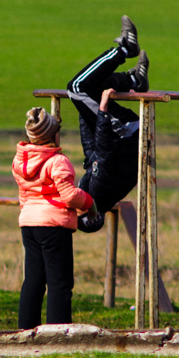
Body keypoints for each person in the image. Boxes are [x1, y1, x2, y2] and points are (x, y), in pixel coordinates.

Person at [12, 106, 97, 330]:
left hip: (29, 223)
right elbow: (69, 196)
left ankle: (26, 330)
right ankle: (57, 332)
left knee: (33, 280)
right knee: (60, 282)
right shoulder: (57, 161)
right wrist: (90, 203)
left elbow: (23, 194)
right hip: (53, 226)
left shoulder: (20, 161)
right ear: (51, 134)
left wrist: (27, 214)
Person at [66, 15, 149, 232]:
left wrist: (84, 113)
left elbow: (90, 153)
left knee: (89, 88)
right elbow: (103, 152)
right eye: (79, 212)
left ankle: (134, 81)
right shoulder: (99, 192)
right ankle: (125, 49)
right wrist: (100, 112)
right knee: (77, 88)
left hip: (122, 135)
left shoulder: (91, 194)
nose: (74, 209)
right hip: (126, 133)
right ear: (93, 214)